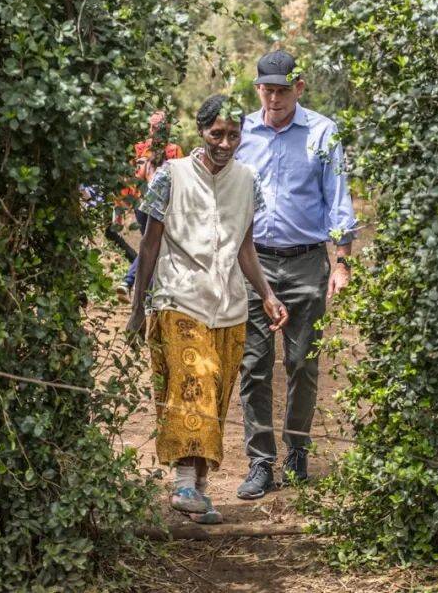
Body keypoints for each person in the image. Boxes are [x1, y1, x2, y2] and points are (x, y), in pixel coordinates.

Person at [126, 94, 289, 524]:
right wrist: (138, 304)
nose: (225, 143)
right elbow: (149, 244)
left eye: (233, 134)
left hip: (230, 306)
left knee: (213, 395)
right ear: (201, 132)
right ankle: (183, 483)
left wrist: (267, 295)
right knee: (192, 383)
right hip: (179, 298)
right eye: (217, 133)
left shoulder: (246, 180)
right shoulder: (172, 175)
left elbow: (245, 247)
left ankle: (198, 491)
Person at [234, 50, 357, 500]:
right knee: (254, 365)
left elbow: (338, 197)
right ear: (257, 88)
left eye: (283, 90)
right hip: (254, 263)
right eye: (267, 89)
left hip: (306, 261)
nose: (274, 98)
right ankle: (260, 461)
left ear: (299, 88)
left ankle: (297, 452)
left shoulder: (323, 133)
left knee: (302, 363)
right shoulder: (241, 132)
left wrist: (341, 261)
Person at [115, 110, 184, 302]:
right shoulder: (173, 150)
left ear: (150, 129)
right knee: (156, 246)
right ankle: (131, 283)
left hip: (141, 206)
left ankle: (142, 292)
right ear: (168, 129)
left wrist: (120, 207)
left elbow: (128, 180)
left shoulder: (140, 149)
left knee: (152, 245)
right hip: (161, 208)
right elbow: (181, 180)